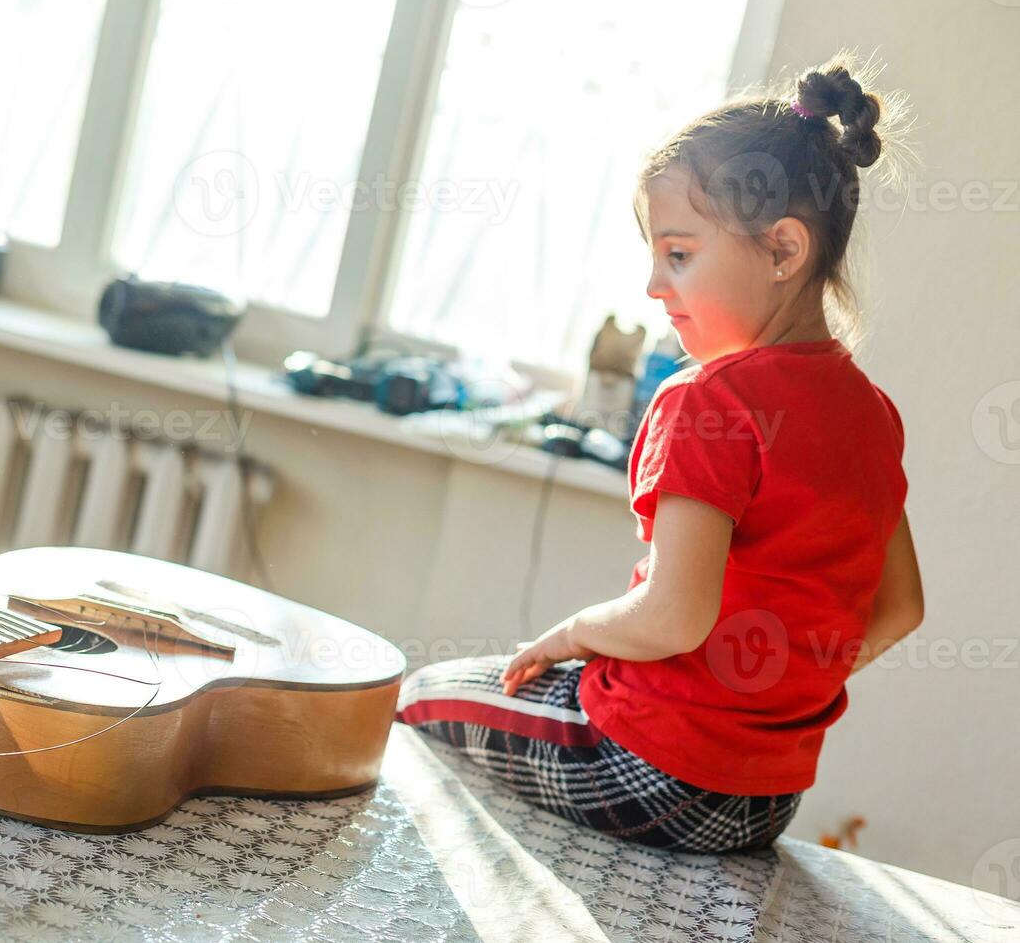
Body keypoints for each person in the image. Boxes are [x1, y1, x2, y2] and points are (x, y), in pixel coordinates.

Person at [395, 55, 922, 854]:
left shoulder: (709, 399)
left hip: (646, 764)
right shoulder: (873, 417)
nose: (653, 285)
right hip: (766, 795)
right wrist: (770, 696)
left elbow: (673, 616)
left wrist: (570, 634)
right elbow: (900, 609)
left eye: (678, 255)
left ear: (784, 250)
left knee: (414, 701)